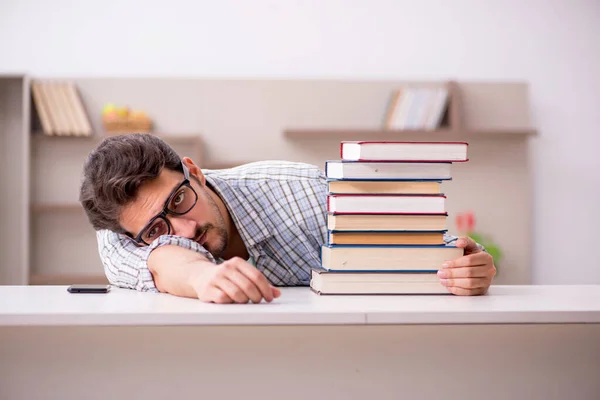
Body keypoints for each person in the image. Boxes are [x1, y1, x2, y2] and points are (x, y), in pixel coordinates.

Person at [79, 133, 496, 303]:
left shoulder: (303, 193)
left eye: (180, 200)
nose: (185, 229)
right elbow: (164, 259)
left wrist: (464, 265)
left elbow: (408, 254)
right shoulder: (120, 230)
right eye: (156, 229)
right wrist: (201, 277)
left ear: (196, 173)